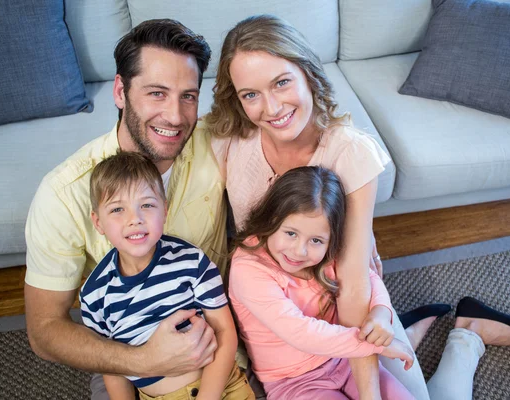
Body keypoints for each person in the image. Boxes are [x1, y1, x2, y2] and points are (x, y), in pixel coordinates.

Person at [208, 15, 510, 400]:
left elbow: (356, 282)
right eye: (250, 94)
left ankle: (465, 337)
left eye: (281, 82)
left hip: (349, 312)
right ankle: (453, 333)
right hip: (283, 342)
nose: (270, 108)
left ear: (307, 72)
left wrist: (371, 387)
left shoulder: (349, 151)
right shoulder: (229, 144)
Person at [24, 19, 226, 400]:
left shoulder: (217, 143)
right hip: (126, 361)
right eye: (156, 93)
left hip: (219, 334)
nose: (175, 116)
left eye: (188, 96)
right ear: (120, 91)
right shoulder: (62, 194)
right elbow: (44, 330)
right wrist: (144, 361)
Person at [229, 166, 414, 400]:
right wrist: (377, 346)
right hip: (294, 382)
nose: (299, 251)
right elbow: (300, 332)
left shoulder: (330, 252)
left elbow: (366, 276)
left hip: (345, 360)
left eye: (316, 240)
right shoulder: (248, 267)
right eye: (291, 233)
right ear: (272, 219)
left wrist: (380, 311)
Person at [80, 151, 254, 400]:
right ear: (98, 222)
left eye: (147, 205)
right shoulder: (94, 294)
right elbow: (111, 364)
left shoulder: (192, 261)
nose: (135, 219)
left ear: (165, 209)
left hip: (220, 388)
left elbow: (225, 330)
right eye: (118, 209)